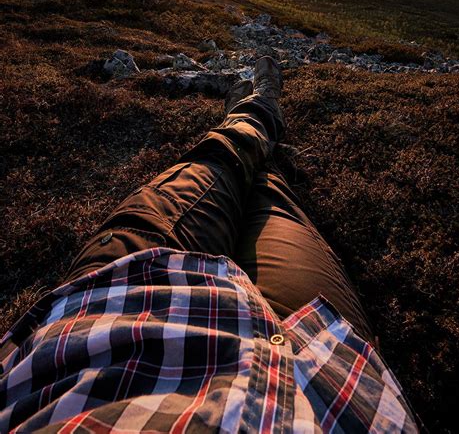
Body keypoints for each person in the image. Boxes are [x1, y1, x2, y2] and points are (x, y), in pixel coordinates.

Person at [0, 57, 418, 432]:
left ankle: (251, 111)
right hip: (315, 361)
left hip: (116, 301)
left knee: (220, 156)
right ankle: (263, 106)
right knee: (269, 188)